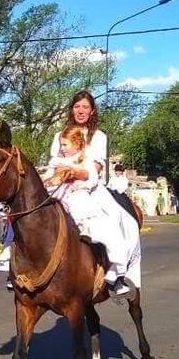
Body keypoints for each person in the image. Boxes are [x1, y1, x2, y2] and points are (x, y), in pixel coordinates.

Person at [49, 90, 141, 300]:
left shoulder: (99, 137)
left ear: (91, 111)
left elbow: (96, 168)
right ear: (71, 109)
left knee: (115, 221)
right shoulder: (59, 135)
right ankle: (13, 264)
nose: (80, 111)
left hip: (89, 187)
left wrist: (75, 173)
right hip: (60, 186)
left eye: (85, 107)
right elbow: (54, 164)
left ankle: (117, 274)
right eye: (77, 106)